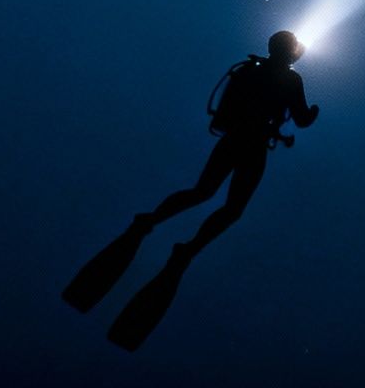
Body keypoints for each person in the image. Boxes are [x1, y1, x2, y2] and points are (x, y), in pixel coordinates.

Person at [63, 30, 320, 332]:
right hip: (253, 148)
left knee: (202, 192)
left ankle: (148, 221)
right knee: (233, 209)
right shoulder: (291, 81)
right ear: (289, 51)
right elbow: (302, 119)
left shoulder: (250, 71)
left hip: (230, 141)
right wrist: (313, 112)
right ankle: (187, 249)